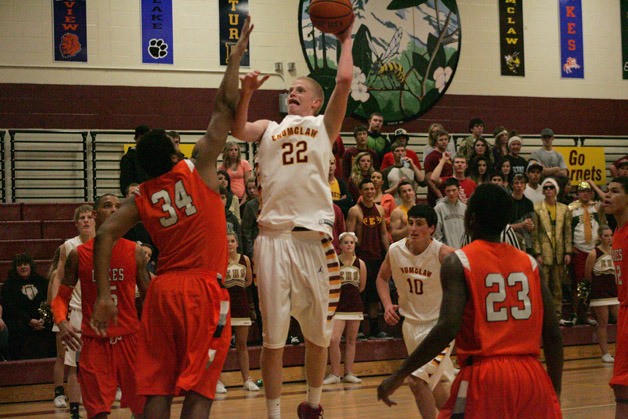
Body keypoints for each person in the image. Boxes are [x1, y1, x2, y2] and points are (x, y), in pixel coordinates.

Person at [89, 18, 252, 418]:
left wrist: (106, 296)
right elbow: (224, 108)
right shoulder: (199, 168)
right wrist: (233, 60)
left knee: (157, 386)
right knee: (200, 386)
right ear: (175, 155)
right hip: (203, 290)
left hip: (161, 293)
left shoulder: (141, 197)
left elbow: (106, 234)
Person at [230, 18, 353, 419]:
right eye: (290, 90)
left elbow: (345, 81)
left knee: (318, 336)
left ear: (315, 101)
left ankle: (313, 407)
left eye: (299, 89)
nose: (292, 93)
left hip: (313, 240)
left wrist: (346, 39)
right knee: (273, 340)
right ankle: (274, 414)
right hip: (272, 240)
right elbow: (238, 127)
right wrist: (247, 92)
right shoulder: (270, 127)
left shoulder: (323, 125)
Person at [377, 184, 563, 418]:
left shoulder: (460, 261)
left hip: (485, 375)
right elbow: (553, 335)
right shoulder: (530, 264)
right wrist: (553, 390)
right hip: (531, 375)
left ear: (470, 219)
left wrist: (401, 372)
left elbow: (447, 327)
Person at [52, 194, 148, 419]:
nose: (115, 210)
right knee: (97, 412)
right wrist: (61, 321)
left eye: (118, 206)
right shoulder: (79, 254)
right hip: (95, 343)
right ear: (95, 215)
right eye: (107, 206)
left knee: (144, 409)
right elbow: (60, 298)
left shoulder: (134, 251)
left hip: (130, 340)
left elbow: (150, 296)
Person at [376, 205, 455, 419]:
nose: (413, 228)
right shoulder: (395, 250)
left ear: (431, 228)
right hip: (410, 326)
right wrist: (387, 305)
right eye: (411, 223)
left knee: (416, 381)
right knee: (437, 385)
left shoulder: (444, 253)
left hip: (438, 329)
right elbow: (382, 279)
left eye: (419, 224)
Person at [50, 204, 96, 417]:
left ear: (95, 220)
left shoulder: (105, 243)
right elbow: (58, 277)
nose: (86, 221)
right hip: (76, 311)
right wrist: (56, 310)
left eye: (89, 217)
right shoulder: (69, 246)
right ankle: (74, 409)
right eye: (82, 218)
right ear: (76, 223)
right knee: (74, 363)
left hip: (99, 313)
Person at [347, 179, 390, 340]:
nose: (370, 192)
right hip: (361, 258)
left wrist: (388, 252)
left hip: (377, 257)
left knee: (374, 296)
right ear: (361, 191)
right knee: (360, 295)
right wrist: (351, 258)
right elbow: (349, 234)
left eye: (372, 189)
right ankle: (356, 330)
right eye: (366, 189)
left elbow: (384, 233)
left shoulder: (380, 209)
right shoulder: (355, 210)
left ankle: (374, 330)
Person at [217, 232, 260, 393]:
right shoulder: (219, 260)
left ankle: (246, 379)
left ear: (237, 243)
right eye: (226, 241)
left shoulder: (245, 260)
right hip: (224, 306)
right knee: (222, 345)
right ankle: (217, 380)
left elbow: (249, 281)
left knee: (243, 345)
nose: (230, 244)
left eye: (232, 241)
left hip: (241, 305)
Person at [323, 232, 366, 385]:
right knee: (334, 340)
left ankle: (348, 373)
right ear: (340, 245)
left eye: (351, 242)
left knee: (351, 340)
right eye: (346, 242)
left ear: (355, 245)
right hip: (338, 306)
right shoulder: (334, 262)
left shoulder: (360, 263)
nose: (349, 245)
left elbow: (362, 287)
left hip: (354, 305)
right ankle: (335, 374)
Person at [533, 177, 573, 325]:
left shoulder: (564, 208)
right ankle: (542, 316)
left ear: (556, 189)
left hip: (560, 251)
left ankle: (557, 316)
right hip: (544, 252)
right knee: (543, 286)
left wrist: (568, 251)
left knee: (558, 286)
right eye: (545, 187)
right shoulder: (537, 208)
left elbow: (567, 232)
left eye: (551, 187)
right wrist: (537, 253)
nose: (548, 190)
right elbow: (535, 233)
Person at [604, 176, 628, 418]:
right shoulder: (618, 232)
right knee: (621, 387)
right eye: (606, 190)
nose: (607, 195)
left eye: (615, 191)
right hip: (624, 312)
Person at [1, 253, 55, 360]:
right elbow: (11, 308)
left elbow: (48, 302)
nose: (23, 267)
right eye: (19, 265)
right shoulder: (9, 285)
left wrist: (43, 320)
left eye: (25, 264)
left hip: (41, 320)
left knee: (55, 326)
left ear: (31, 266)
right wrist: (29, 320)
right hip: (20, 320)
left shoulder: (42, 282)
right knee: (16, 328)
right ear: (15, 268)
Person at [568, 181, 605, 325]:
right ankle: (576, 313)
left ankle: (588, 313)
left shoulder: (596, 207)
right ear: (577, 192)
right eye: (582, 190)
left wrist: (593, 184)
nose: (585, 193)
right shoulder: (571, 208)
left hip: (594, 251)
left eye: (588, 190)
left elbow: (605, 198)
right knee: (579, 283)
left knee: (593, 283)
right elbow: (565, 229)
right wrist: (569, 246)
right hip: (580, 251)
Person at [584, 225, 619, 363]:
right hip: (600, 293)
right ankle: (605, 353)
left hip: (615, 293)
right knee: (603, 322)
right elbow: (588, 274)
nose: (609, 238)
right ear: (600, 237)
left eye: (611, 235)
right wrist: (598, 287)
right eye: (606, 235)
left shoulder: (616, 251)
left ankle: (620, 351)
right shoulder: (593, 253)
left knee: (621, 321)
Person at [382, 140, 425, 205]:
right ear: (392, 153)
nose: (400, 153)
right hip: (394, 205)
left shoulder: (412, 168)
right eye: (397, 151)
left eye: (402, 151)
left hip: (411, 204)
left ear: (405, 153)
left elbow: (423, 183)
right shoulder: (386, 171)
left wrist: (413, 165)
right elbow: (384, 192)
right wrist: (397, 185)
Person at [433, 178, 466, 249]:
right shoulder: (439, 208)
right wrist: (441, 249)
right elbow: (437, 233)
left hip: (462, 251)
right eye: (448, 191)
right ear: (445, 191)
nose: (451, 193)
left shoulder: (464, 208)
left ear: (459, 190)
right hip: (446, 251)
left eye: (454, 190)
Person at [424, 130, 453, 207]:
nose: (444, 142)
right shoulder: (431, 157)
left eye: (445, 139)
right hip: (436, 197)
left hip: (448, 193)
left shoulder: (447, 156)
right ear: (436, 142)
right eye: (441, 140)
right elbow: (429, 179)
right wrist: (440, 196)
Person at [119, 125, 150, 195]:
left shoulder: (151, 157)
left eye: (147, 139)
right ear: (136, 138)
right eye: (142, 138)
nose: (144, 141)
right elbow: (125, 182)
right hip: (136, 195)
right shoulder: (129, 157)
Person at [509, 173, 535, 254]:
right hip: (509, 241)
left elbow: (532, 227)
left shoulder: (529, 203)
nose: (519, 185)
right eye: (516, 183)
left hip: (525, 243)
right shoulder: (505, 201)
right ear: (512, 185)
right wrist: (522, 225)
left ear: (525, 186)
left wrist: (531, 226)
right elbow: (503, 227)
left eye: (522, 183)